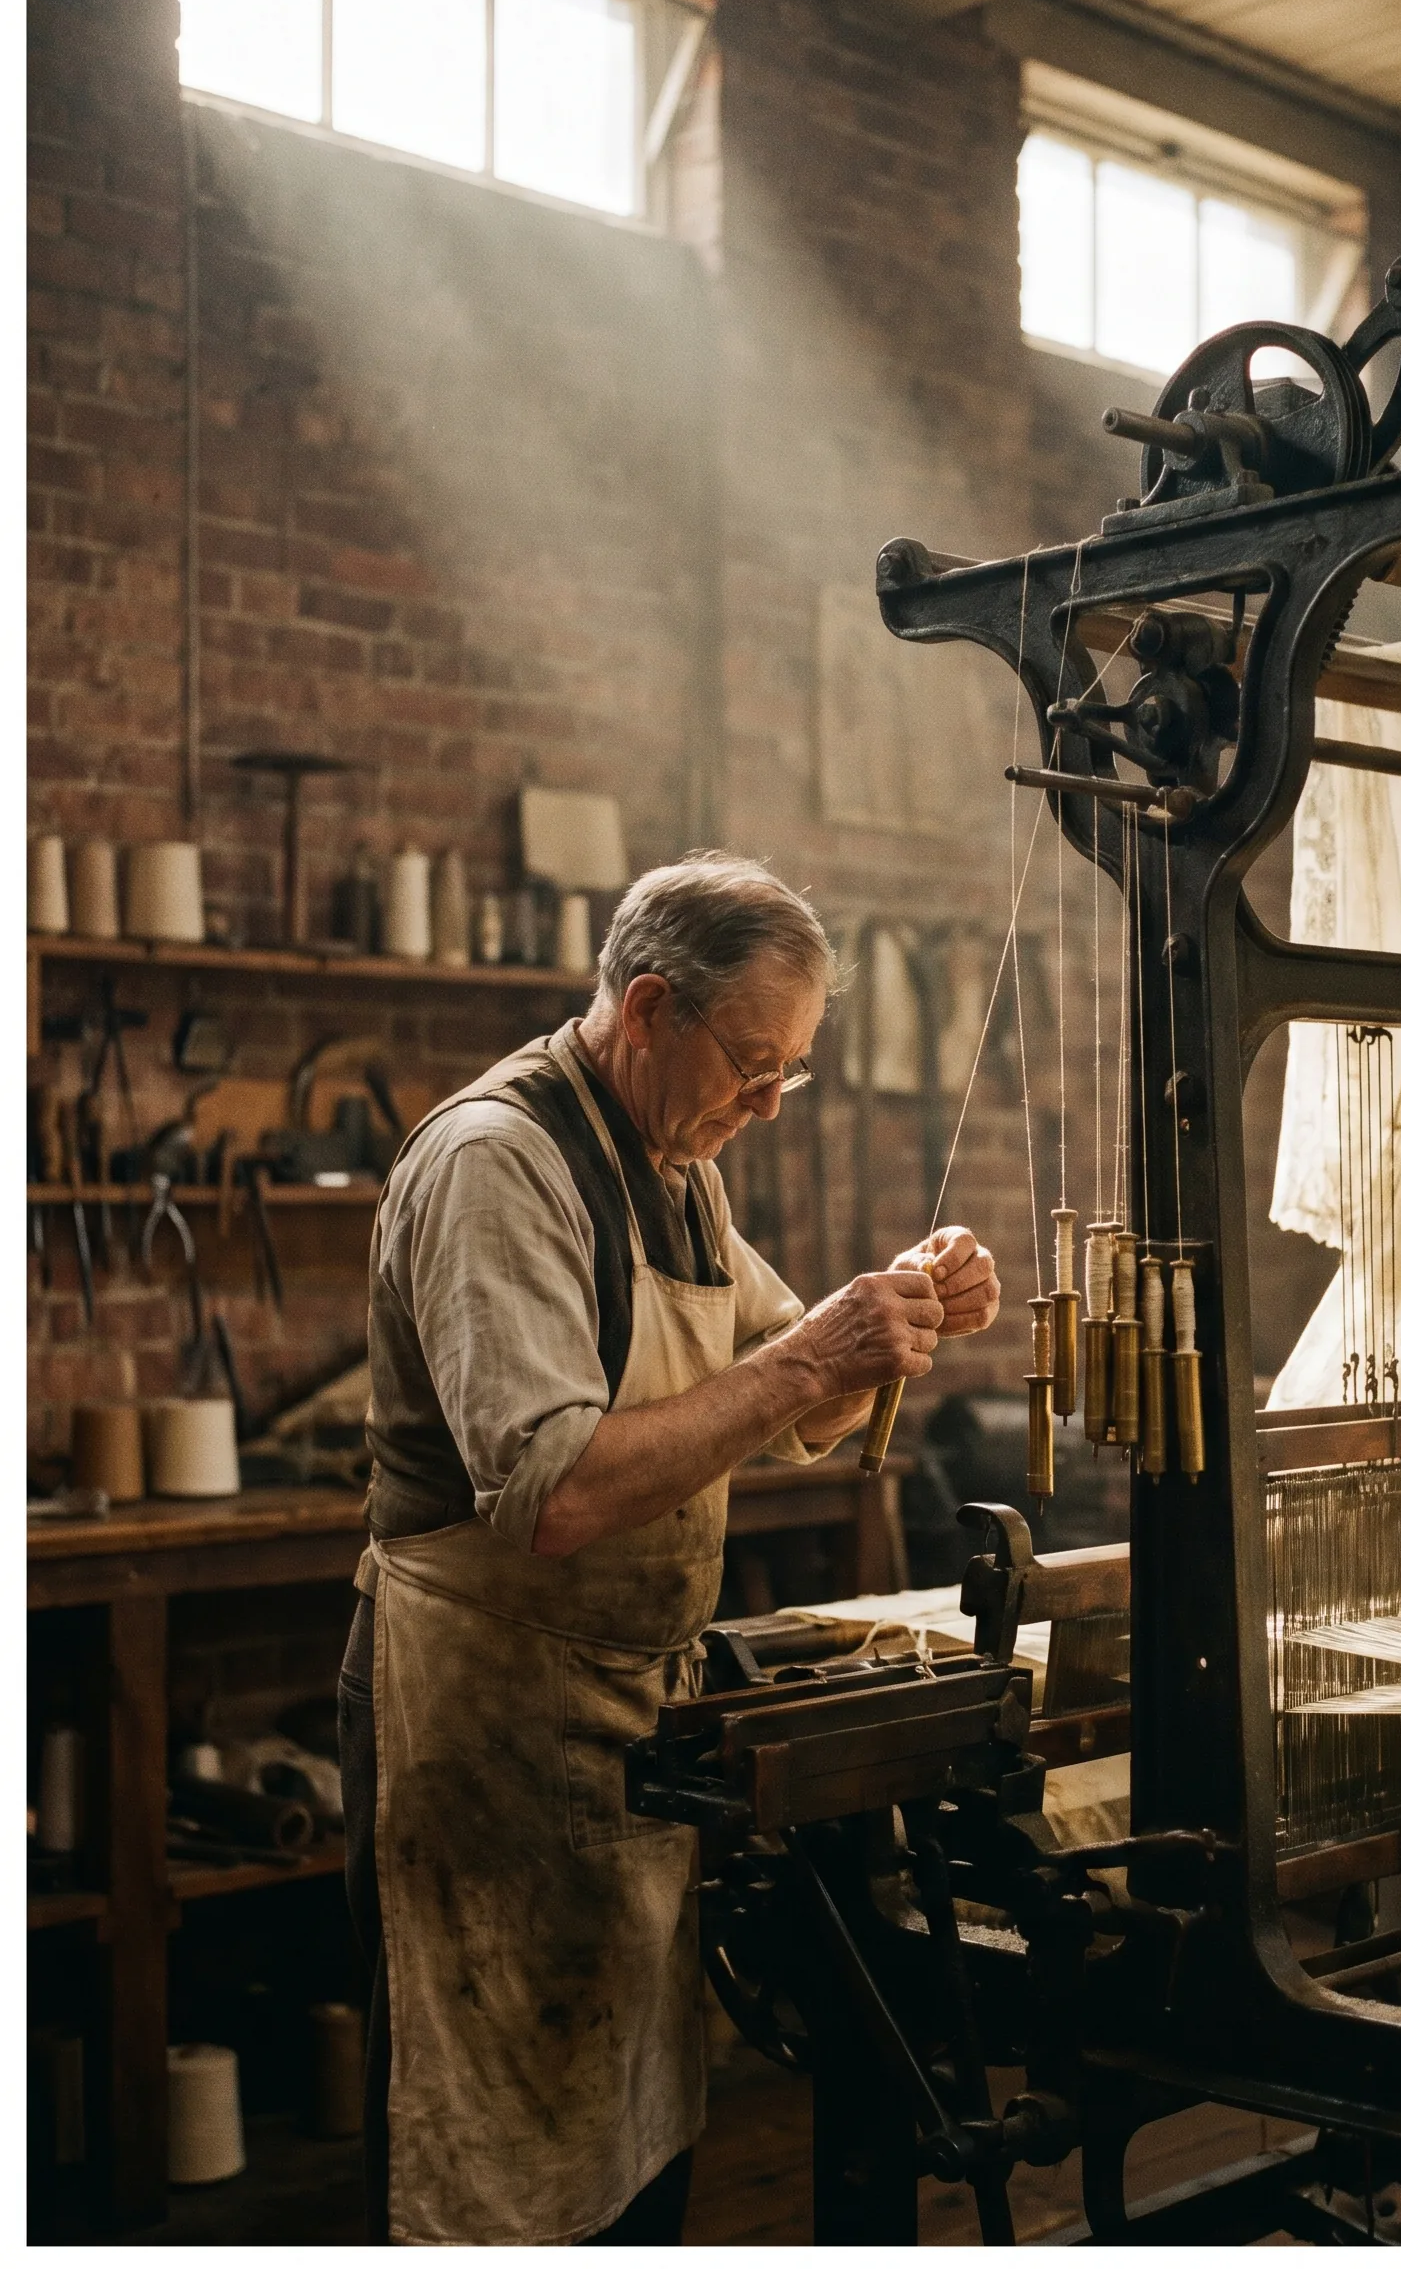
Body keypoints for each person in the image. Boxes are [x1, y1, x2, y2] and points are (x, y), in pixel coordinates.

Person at [337, 852, 1000, 2245]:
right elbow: (551, 1491)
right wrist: (813, 1356)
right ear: (648, 1008)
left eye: (792, 1076)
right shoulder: (499, 1162)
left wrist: (899, 1307)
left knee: (625, 2144)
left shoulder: (675, 1163)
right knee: (495, 2173)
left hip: (622, 1706)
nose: (767, 1107)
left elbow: (772, 1368)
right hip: (486, 1716)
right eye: (755, 1066)